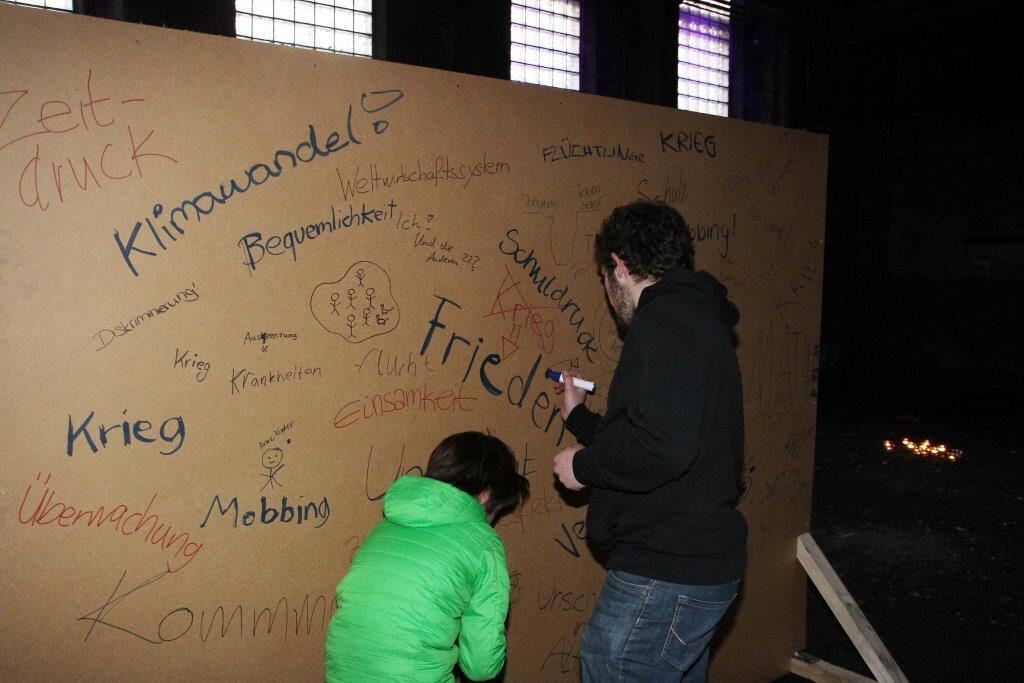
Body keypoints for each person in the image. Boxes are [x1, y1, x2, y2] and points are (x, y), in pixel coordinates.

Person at [552, 200, 747, 682]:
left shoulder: (665, 323)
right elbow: (648, 432)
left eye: (604, 278)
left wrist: (581, 468)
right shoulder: (692, 320)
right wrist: (578, 417)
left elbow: (662, 448)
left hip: (666, 574)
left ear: (617, 265)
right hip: (690, 570)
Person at [325, 431, 530, 682]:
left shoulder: (384, 526)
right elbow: (480, 667)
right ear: (487, 495)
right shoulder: (484, 543)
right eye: (498, 509)